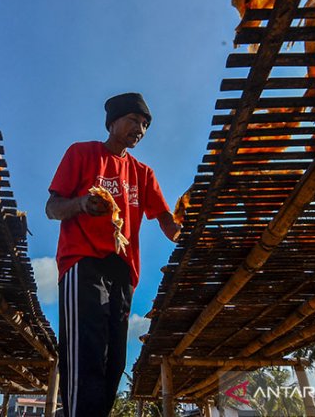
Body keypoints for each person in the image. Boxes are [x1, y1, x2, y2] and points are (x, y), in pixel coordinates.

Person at [46, 92, 181, 417]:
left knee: (113, 361)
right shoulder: (81, 154)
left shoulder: (143, 173)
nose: (141, 129)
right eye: (135, 120)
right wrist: (81, 204)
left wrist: (193, 228)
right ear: (113, 122)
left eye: (146, 124)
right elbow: (52, 207)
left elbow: (167, 222)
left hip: (123, 271)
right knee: (86, 354)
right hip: (83, 262)